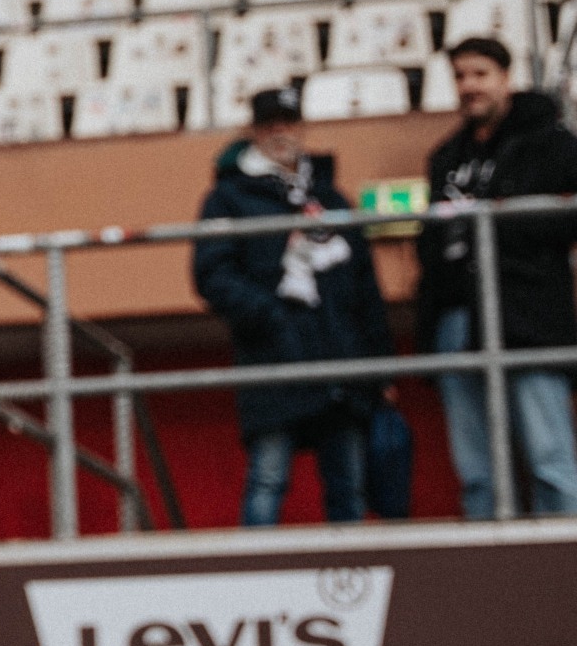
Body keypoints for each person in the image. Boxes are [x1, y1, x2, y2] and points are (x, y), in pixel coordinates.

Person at [192, 84, 394, 526]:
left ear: (302, 128)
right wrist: (271, 316)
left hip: (341, 363)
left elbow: (365, 287)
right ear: (253, 131)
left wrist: (379, 366)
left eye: (288, 122)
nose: (279, 132)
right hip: (274, 361)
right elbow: (212, 275)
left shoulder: (331, 197)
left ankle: (350, 570)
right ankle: (256, 570)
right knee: (268, 480)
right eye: (269, 124)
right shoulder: (228, 198)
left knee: (348, 487)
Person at [414, 35, 577, 516]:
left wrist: (507, 223)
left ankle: (564, 557)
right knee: (477, 469)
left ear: (507, 77)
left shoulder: (550, 142)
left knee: (550, 457)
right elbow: (431, 239)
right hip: (455, 316)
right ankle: (490, 561)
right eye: (460, 76)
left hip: (526, 315)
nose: (469, 85)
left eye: (480, 74)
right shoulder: (446, 156)